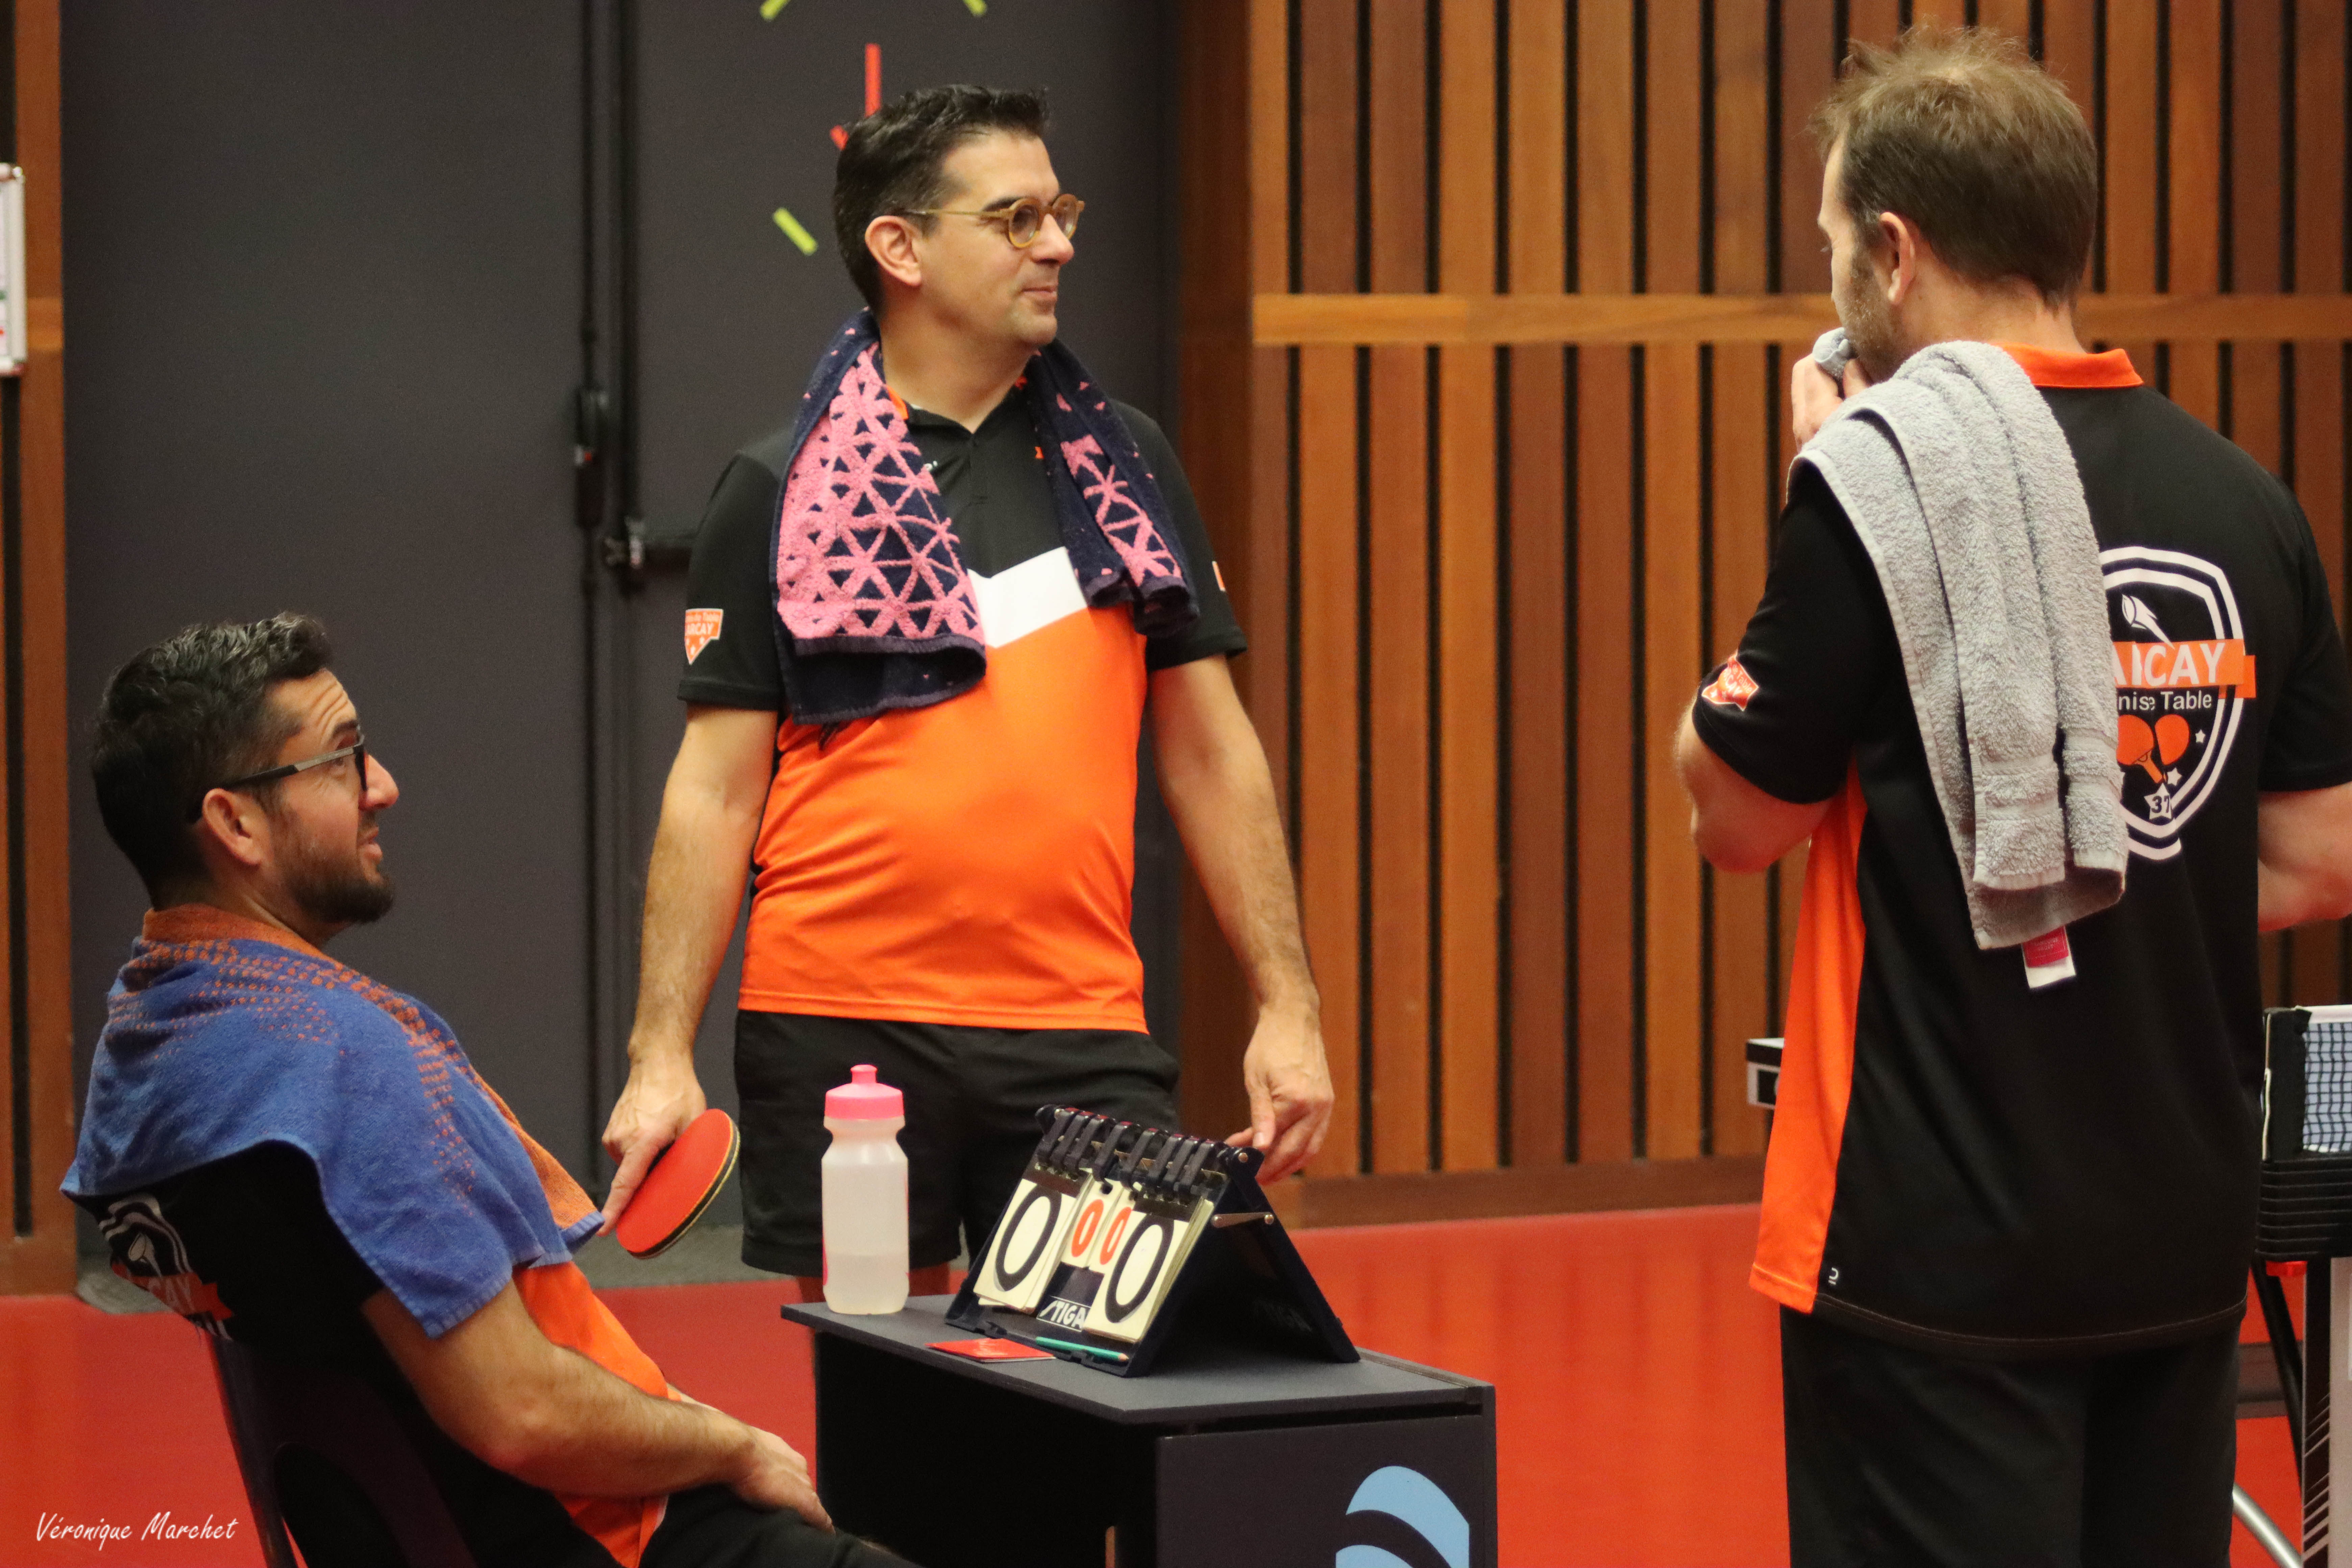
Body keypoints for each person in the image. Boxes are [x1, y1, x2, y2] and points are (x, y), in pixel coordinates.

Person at [1675, 29, 2352, 1567]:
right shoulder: (2245, 500)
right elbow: (2320, 861)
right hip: (2175, 1236)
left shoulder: (1878, 483)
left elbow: (1736, 819)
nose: (1836, 276)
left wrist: (1822, 487)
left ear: (1895, 252)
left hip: (1934, 1253)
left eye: (1836, 244)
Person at [599, 84, 1330, 1297]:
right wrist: (657, 1053)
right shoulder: (775, 485)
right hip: (840, 1023)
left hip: (1080, 1022)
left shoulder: (1130, 467)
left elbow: (1212, 751)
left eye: (1061, 212)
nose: (1059, 245)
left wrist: (1287, 1005)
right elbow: (715, 791)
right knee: (887, 1387)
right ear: (902, 248)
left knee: (1102, 1378)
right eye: (1015, 219)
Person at [65, 615, 914, 1568]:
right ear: (235, 824)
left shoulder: (153, 1042)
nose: (384, 786)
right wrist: (736, 1444)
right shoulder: (341, 1066)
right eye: (343, 761)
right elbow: (522, 1412)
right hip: (597, 1536)